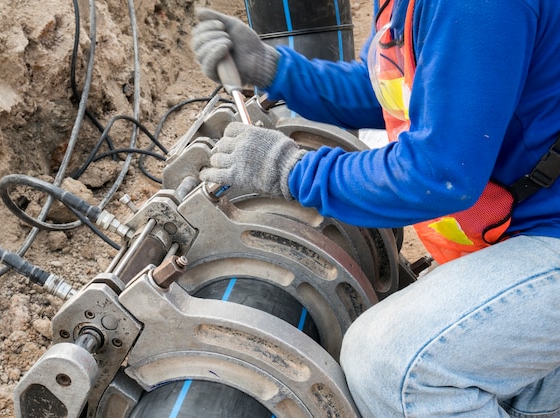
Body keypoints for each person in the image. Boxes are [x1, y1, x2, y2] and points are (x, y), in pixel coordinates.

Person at [190, 1, 560, 417]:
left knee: (390, 364)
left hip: (549, 231)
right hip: (524, 228)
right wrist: (275, 69)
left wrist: (292, 170)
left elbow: (439, 174)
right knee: (519, 392)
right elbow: (391, 92)